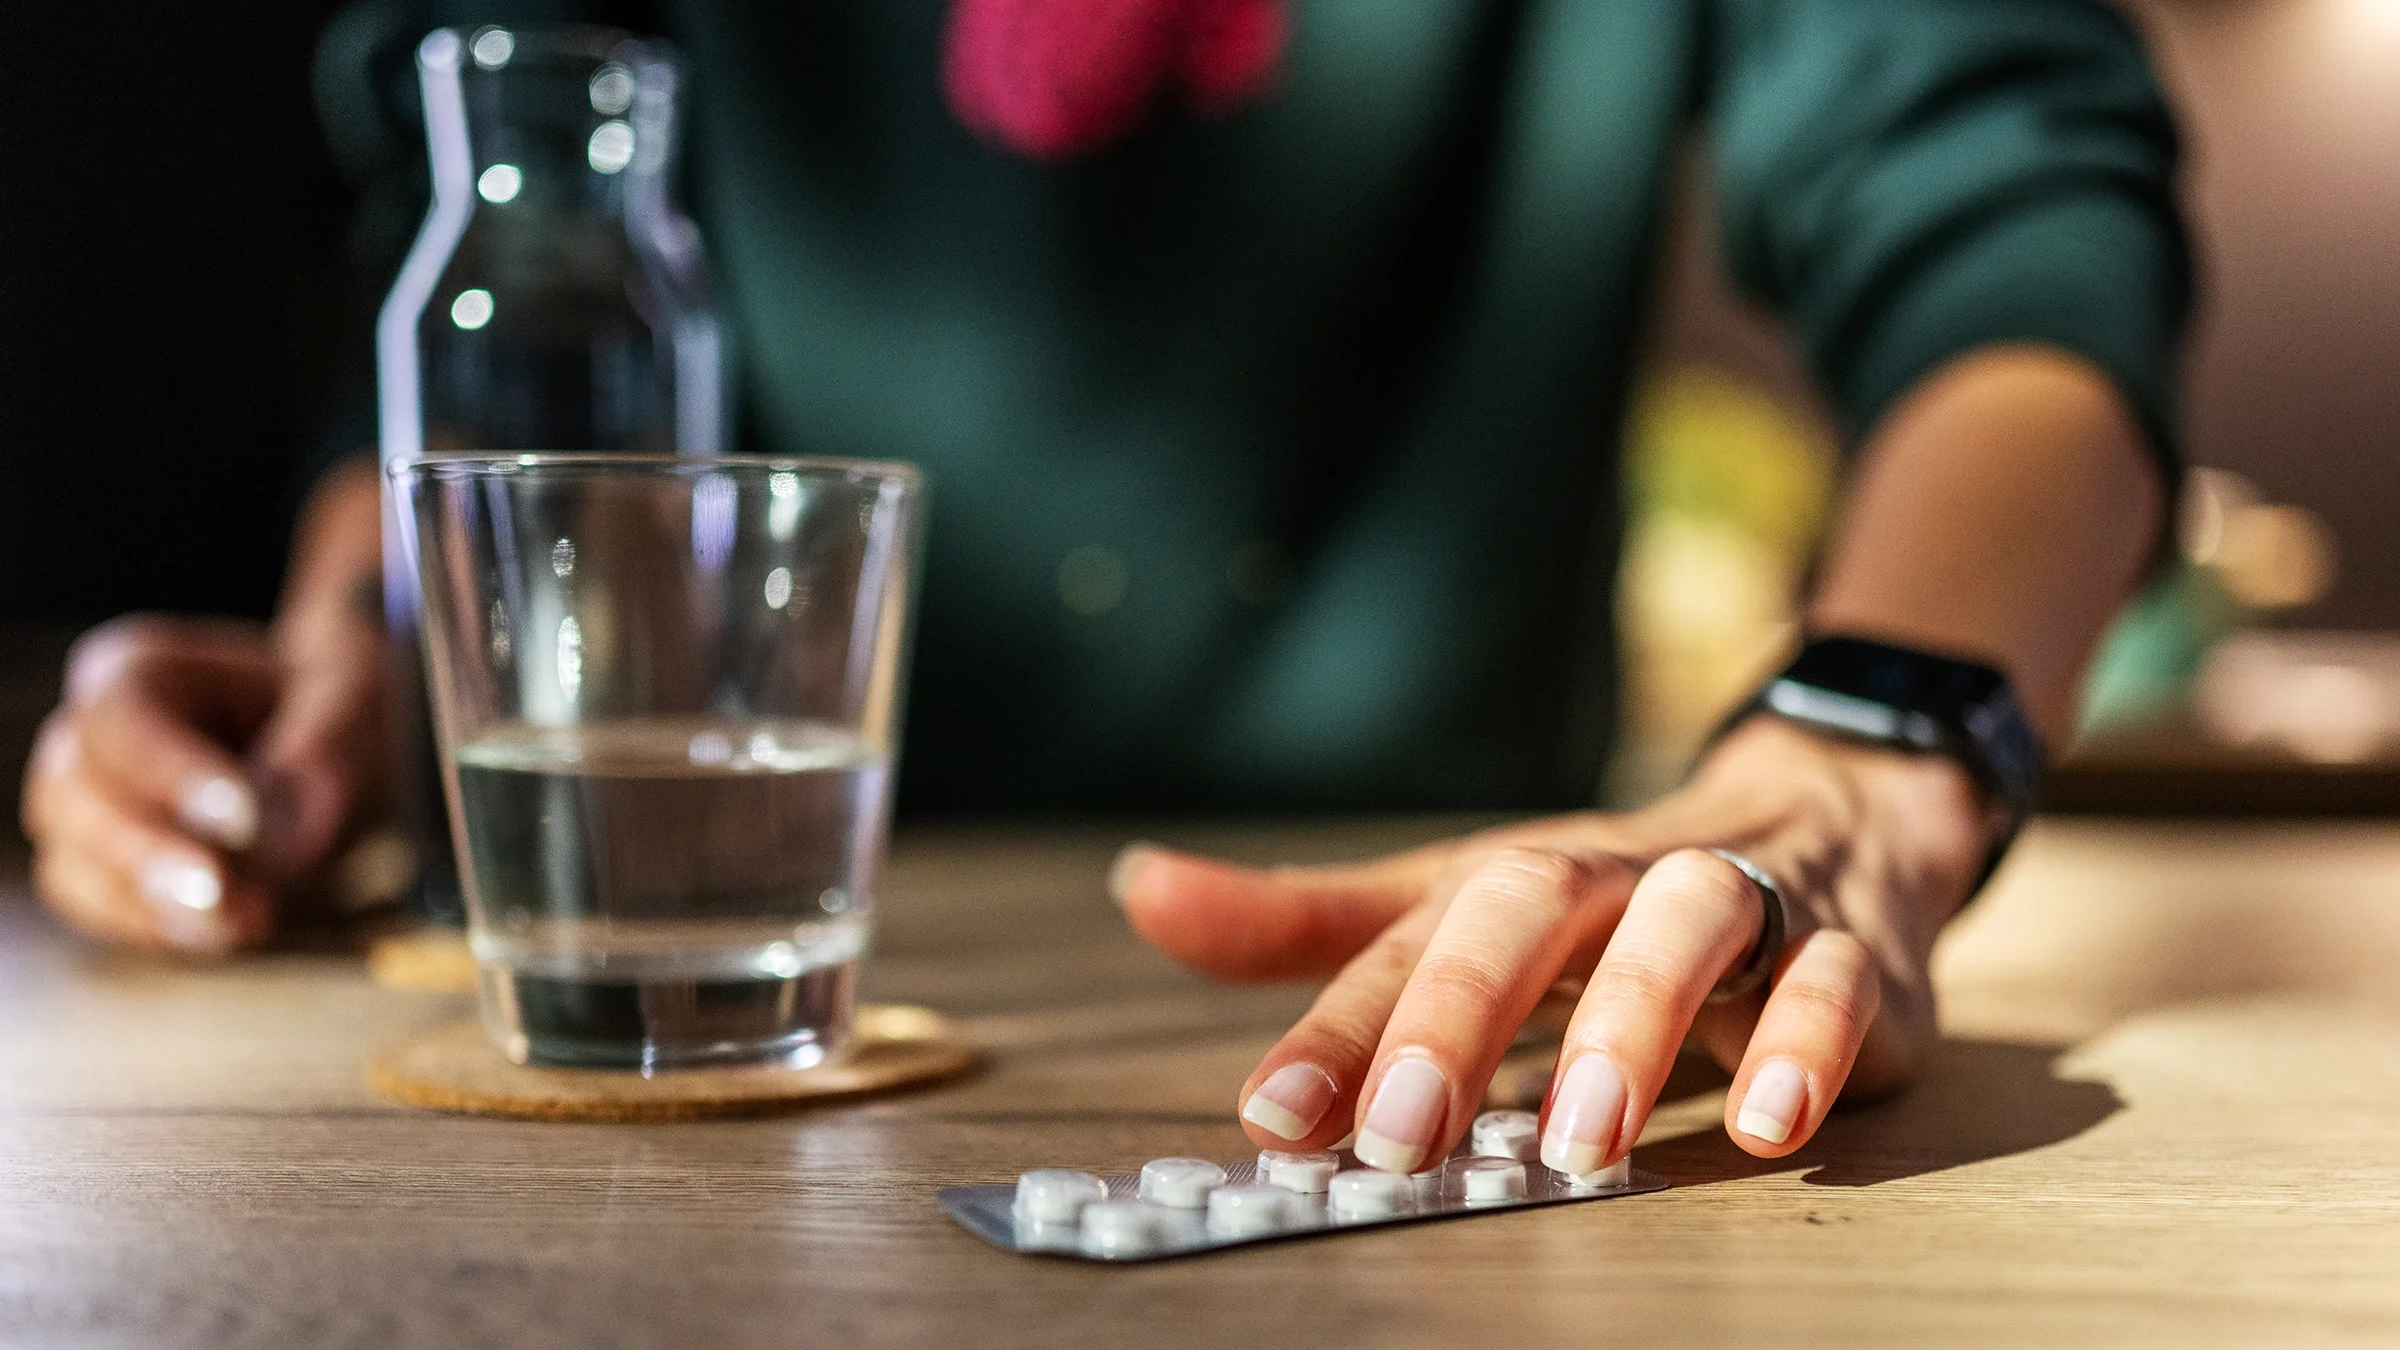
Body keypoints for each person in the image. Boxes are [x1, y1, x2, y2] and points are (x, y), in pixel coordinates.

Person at [20, 0, 2186, 1179]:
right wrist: (350, 655)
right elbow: (486, 233)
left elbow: (2008, 219)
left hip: (1485, 981)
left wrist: (1875, 756)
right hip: (686, 1075)